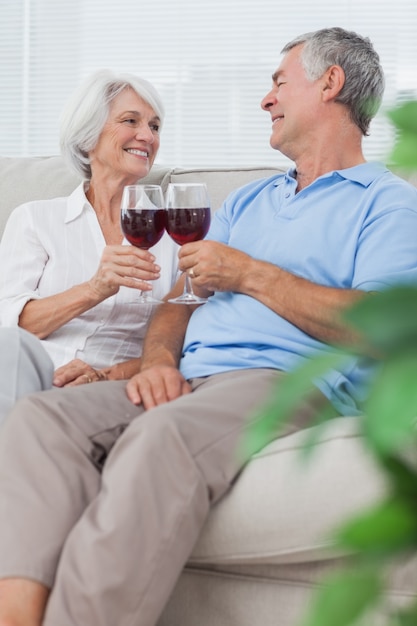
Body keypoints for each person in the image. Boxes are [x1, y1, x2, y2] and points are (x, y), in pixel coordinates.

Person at [1, 26, 417, 626]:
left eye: (279, 82)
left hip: (280, 380)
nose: (265, 100)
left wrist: (252, 275)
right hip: (194, 378)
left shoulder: (387, 202)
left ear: (331, 83)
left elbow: (383, 329)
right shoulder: (249, 201)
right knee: (40, 420)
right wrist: (159, 363)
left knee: (161, 438)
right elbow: (177, 301)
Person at [0, 69, 179, 390]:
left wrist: (107, 375)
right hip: (26, 373)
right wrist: (95, 288)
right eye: (130, 121)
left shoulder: (174, 235)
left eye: (154, 126)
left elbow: (184, 342)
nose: (148, 137)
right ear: (87, 137)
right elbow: (11, 327)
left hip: (107, 384)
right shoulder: (35, 219)